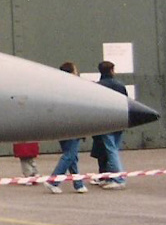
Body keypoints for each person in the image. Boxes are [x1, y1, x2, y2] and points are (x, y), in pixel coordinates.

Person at [46, 62, 89, 194]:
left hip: (60, 125)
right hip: (73, 126)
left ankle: (78, 184)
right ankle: (53, 181)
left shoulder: (57, 88)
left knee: (72, 157)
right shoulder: (75, 87)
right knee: (69, 155)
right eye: (75, 70)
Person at [89, 61, 128, 189]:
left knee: (111, 151)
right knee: (113, 150)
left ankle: (118, 179)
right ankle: (111, 177)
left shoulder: (97, 86)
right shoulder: (120, 86)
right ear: (111, 70)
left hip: (105, 124)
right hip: (119, 122)